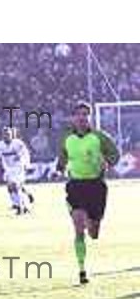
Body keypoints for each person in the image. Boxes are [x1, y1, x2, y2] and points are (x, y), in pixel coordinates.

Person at [57, 102, 120, 285]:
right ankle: (82, 270)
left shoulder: (100, 137)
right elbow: (62, 157)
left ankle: (93, 224)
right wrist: (59, 168)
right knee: (78, 226)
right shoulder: (67, 138)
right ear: (73, 118)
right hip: (76, 186)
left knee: (93, 232)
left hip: (96, 187)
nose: (82, 118)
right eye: (79, 114)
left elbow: (115, 155)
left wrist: (107, 163)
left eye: (85, 114)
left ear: (90, 117)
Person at [0, 126, 34, 215]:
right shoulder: (0, 145)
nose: (6, 136)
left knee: (15, 186)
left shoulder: (18, 144)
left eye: (8, 134)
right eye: (5, 134)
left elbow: (26, 154)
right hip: (8, 169)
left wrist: (27, 164)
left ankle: (22, 207)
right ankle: (19, 203)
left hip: (19, 168)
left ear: (12, 135)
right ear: (2, 136)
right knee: (10, 188)